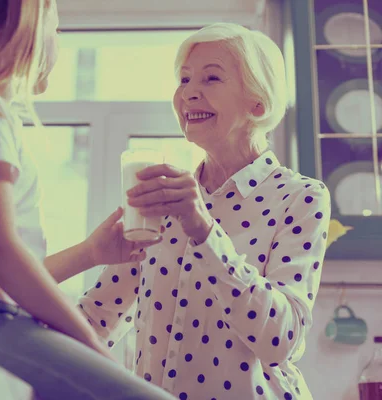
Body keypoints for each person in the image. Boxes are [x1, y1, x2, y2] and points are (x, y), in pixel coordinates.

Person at [0, 1, 174, 399]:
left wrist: (90, 252)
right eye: (55, 30)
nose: (58, 44)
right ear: (17, 28)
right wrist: (91, 346)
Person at [79, 23, 331, 399]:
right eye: (183, 79)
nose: (188, 93)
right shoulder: (164, 201)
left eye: (211, 78)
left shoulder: (301, 197)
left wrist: (204, 232)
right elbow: (94, 320)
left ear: (257, 103)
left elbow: (282, 341)